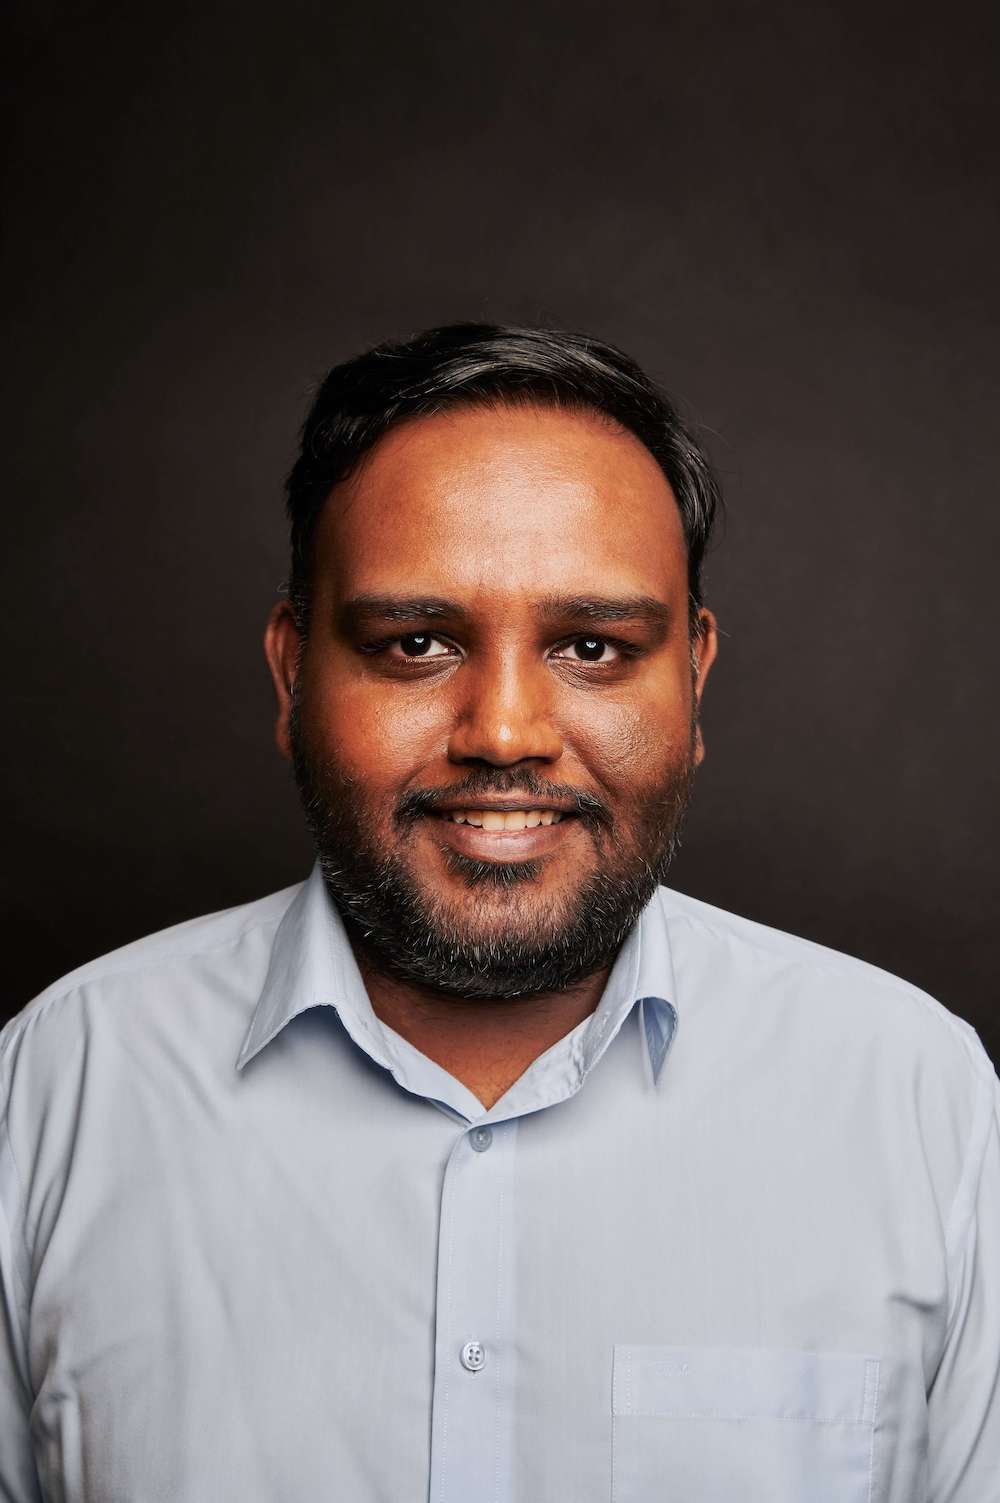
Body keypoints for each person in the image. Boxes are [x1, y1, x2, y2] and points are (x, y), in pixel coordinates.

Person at [1, 324, 997, 1502]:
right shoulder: (56, 1089)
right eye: (416, 643)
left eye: (592, 645)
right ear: (290, 677)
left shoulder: (918, 1101)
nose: (507, 731)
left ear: (693, 681)